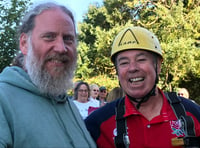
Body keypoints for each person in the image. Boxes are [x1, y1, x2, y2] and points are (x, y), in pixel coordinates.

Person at [0, 2, 96, 148]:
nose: (61, 48)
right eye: (49, 37)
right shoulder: (3, 99)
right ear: (24, 43)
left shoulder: (66, 103)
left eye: (68, 38)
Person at [85, 26, 200, 147]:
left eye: (141, 59)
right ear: (117, 71)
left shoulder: (192, 114)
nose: (133, 68)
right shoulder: (98, 124)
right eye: (124, 63)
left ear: (158, 65)